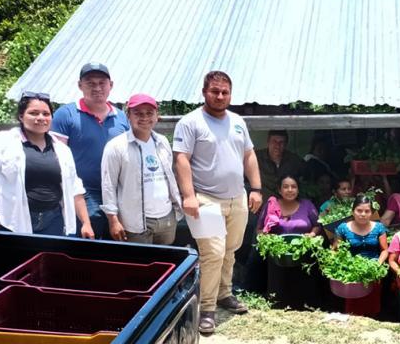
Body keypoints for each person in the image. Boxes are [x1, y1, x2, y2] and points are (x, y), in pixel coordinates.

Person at [173, 71, 263, 334]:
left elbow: (249, 155)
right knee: (212, 253)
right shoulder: (190, 122)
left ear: (230, 94)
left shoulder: (237, 121)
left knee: (230, 249)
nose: (220, 96)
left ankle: (225, 294)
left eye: (225, 92)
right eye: (215, 91)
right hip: (204, 199)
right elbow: (181, 159)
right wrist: (188, 195)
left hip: (237, 197)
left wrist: (256, 188)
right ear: (204, 92)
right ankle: (207, 308)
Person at [0, 92, 94, 238]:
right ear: (21, 116)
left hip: (53, 220)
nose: (41, 118)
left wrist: (86, 223)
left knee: (50, 259)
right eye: (34, 113)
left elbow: (75, 188)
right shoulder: (3, 142)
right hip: (14, 221)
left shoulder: (62, 149)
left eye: (46, 114)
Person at [51, 62, 130, 239]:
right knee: (90, 236)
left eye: (102, 83)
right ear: (80, 85)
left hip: (117, 191)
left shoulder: (121, 117)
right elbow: (56, 157)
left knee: (119, 240)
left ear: (111, 85)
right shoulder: (66, 114)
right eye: (90, 83)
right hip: (83, 192)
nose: (97, 88)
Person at [101, 94, 181, 244]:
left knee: (166, 262)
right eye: (138, 113)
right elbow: (108, 185)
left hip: (167, 217)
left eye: (149, 113)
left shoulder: (162, 142)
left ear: (157, 116)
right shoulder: (116, 147)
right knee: (141, 264)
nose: (144, 118)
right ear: (128, 116)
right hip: (135, 222)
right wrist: (113, 220)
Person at [257, 175, 321, 310]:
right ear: (279, 190)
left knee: (302, 290)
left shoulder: (307, 205)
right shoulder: (271, 205)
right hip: (277, 256)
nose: (290, 190)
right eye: (286, 187)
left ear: (298, 190)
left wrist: (311, 234)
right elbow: (259, 229)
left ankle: (303, 307)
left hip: (303, 254)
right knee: (278, 294)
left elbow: (318, 225)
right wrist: (267, 239)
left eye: (293, 187)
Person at [334, 194, 388, 316]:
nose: (363, 214)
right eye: (359, 210)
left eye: (367, 211)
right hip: (351, 272)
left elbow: (385, 250)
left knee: (372, 306)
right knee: (353, 307)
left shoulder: (379, 227)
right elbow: (336, 250)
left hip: (373, 271)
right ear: (353, 211)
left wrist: (377, 265)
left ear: (371, 213)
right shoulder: (342, 228)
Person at [258, 130, 306, 200]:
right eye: (274, 141)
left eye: (281, 142)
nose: (277, 145)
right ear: (268, 142)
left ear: (286, 144)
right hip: (262, 206)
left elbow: (306, 181)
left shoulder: (295, 160)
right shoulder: (256, 158)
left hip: (288, 206)